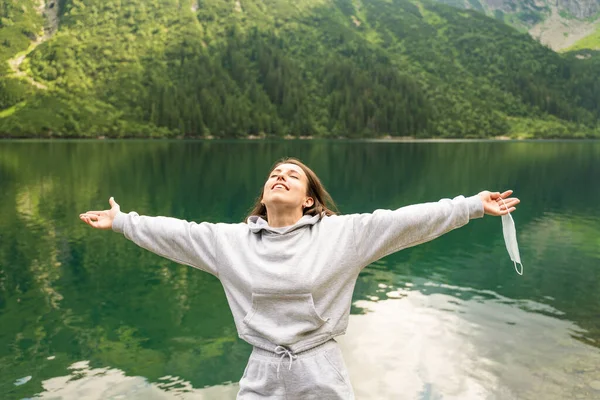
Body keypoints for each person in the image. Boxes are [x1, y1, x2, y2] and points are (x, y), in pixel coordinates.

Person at [79, 157, 520, 399]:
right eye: (274, 173)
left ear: (309, 200)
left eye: (292, 175)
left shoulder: (344, 235)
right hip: (262, 368)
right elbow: (176, 233)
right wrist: (122, 222)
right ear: (266, 194)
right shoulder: (229, 242)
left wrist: (471, 205)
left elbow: (405, 221)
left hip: (319, 367)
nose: (279, 176)